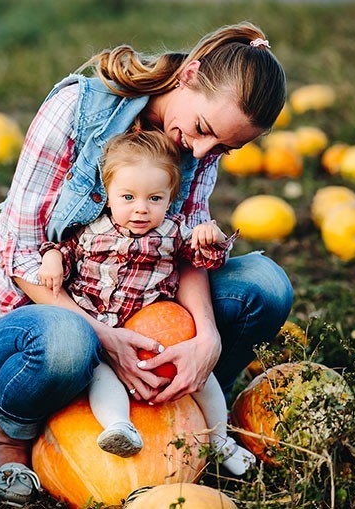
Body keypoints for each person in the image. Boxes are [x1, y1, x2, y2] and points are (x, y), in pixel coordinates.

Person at [0, 21, 291, 505]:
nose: (200, 152)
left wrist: (207, 338)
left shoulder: (200, 142)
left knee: (266, 285)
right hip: (28, 315)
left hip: (132, 300)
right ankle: (12, 436)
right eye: (203, 132)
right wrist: (103, 336)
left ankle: (192, 416)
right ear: (189, 75)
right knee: (70, 342)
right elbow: (23, 253)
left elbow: (186, 255)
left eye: (223, 149)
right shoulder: (77, 109)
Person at [37, 129, 255, 474]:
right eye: (128, 197)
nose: (140, 209)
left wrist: (211, 239)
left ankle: (219, 439)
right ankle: (119, 426)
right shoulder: (91, 231)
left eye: (154, 199)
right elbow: (62, 251)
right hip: (104, 334)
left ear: (170, 199)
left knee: (205, 380)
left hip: (155, 336)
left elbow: (203, 261)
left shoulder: (174, 232)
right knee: (100, 376)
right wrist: (52, 258)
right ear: (107, 196)